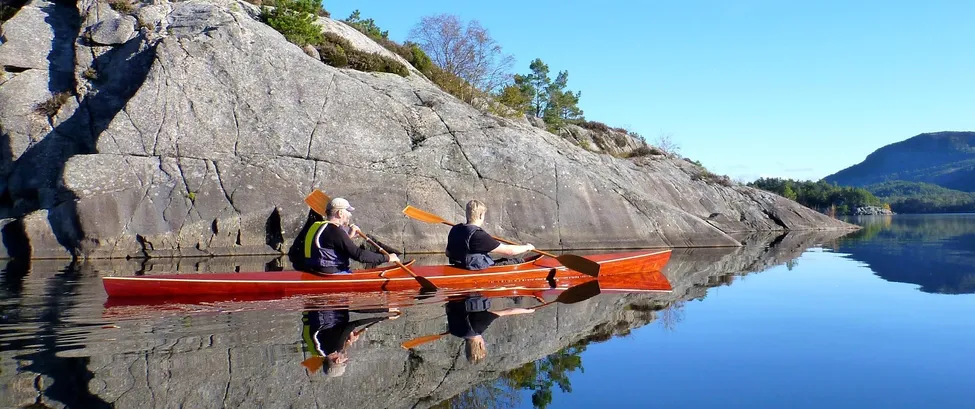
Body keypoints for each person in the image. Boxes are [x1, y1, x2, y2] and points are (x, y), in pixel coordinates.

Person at [303, 197, 400, 274]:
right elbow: (358, 255)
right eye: (348, 211)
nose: (350, 215)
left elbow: (330, 245)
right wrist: (387, 258)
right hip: (333, 273)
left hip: (316, 270)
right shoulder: (335, 231)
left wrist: (349, 236)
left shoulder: (317, 226)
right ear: (340, 213)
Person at [302, 306, 400, 377]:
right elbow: (336, 332)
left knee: (354, 306)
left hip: (330, 306)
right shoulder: (321, 350)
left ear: (337, 360)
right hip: (319, 309)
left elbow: (354, 324)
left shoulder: (335, 347)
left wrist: (384, 316)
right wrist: (347, 340)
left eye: (345, 362)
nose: (347, 359)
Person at [445, 200, 536, 270]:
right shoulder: (479, 235)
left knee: (501, 261)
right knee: (518, 261)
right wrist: (527, 247)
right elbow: (509, 251)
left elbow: (448, 253)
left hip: (459, 266)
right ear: (481, 215)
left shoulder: (455, 229)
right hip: (475, 269)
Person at [445, 295, 534, 363]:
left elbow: (507, 311)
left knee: (517, 299)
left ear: (481, 345)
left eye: (484, 346)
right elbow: (448, 308)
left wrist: (527, 311)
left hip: (474, 294)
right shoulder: (454, 331)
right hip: (454, 297)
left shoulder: (478, 327)